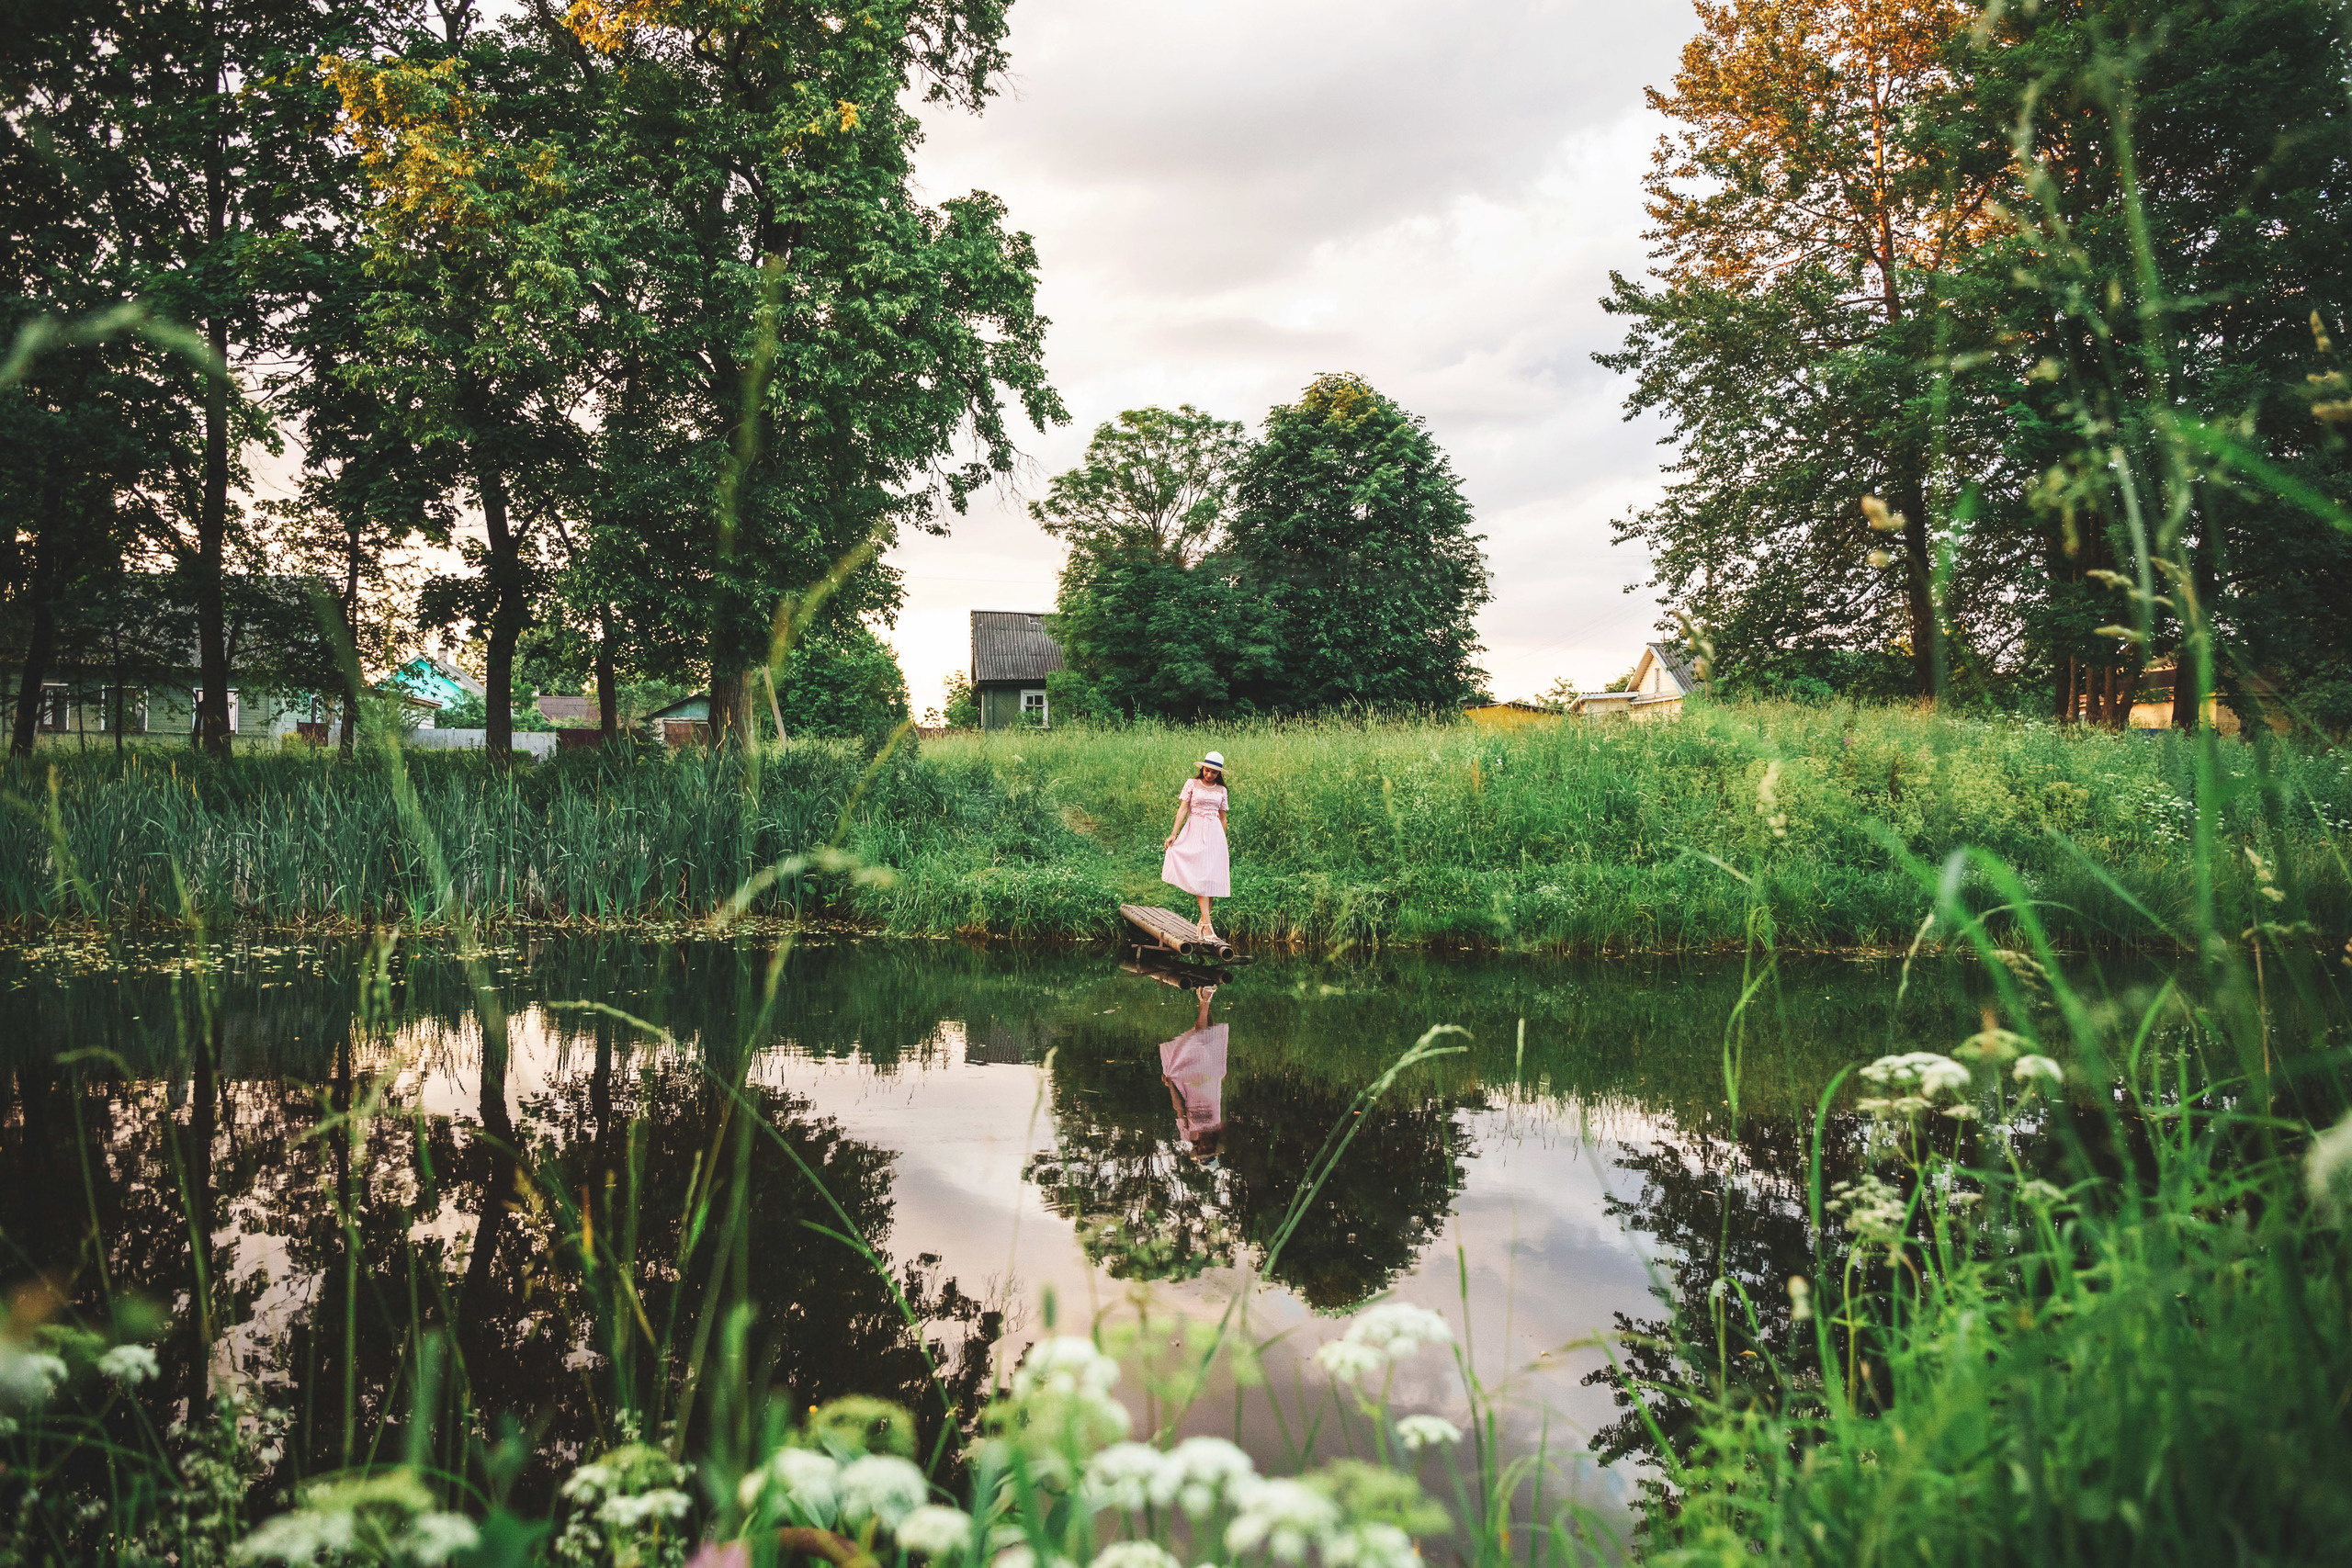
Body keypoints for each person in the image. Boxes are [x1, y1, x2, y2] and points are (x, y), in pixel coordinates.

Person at [1160, 750, 1231, 941]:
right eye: (1207, 771)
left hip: (1214, 835)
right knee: (1202, 878)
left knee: (1212, 881)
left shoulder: (1222, 790)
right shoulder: (1192, 784)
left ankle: (1202, 923)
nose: (1210, 775)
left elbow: (1223, 818)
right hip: (1195, 831)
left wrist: (1221, 842)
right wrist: (1174, 833)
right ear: (1202, 769)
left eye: (1214, 773)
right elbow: (1183, 808)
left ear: (1219, 774)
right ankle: (1208, 927)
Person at [1159, 985, 1227, 1164]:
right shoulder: (1217, 1131)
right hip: (1212, 1081)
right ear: (1213, 1147)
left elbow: (1179, 1109)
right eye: (1209, 1149)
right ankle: (1203, 998)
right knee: (1209, 1037)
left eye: (1202, 1150)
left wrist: (1170, 1086)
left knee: (1199, 1040)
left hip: (1192, 1081)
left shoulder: (1188, 1134)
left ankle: (1205, 998)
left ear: (1197, 1149)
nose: (1205, 1147)